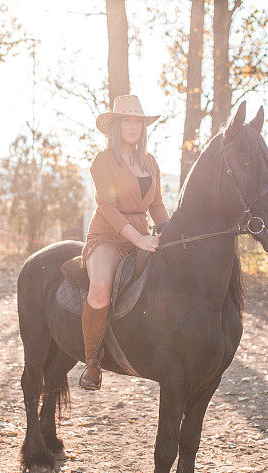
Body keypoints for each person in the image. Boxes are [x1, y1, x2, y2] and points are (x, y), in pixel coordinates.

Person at [78, 94, 170, 391]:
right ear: (117, 125)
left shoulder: (151, 162)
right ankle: (93, 361)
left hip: (143, 235)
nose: (134, 126)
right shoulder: (103, 161)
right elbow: (107, 206)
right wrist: (139, 239)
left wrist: (168, 231)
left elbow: (155, 204)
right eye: (127, 120)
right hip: (108, 236)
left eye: (138, 121)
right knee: (101, 286)